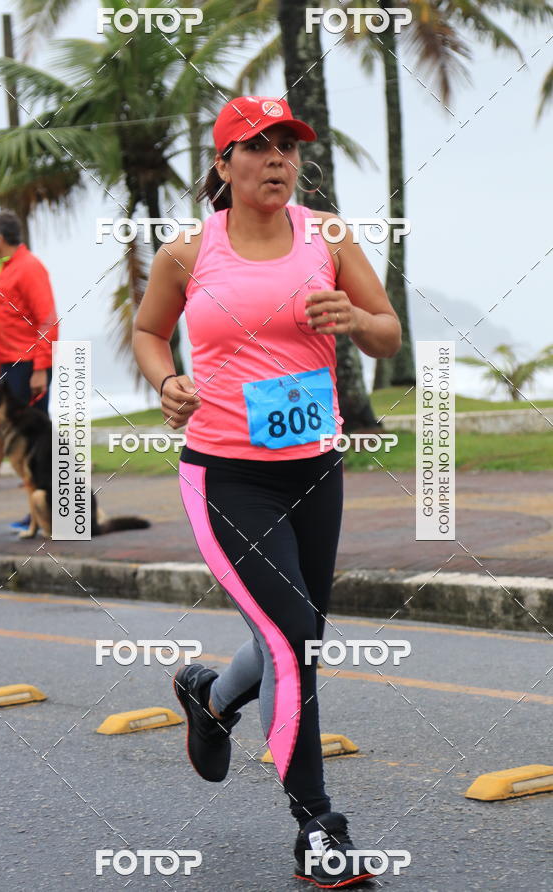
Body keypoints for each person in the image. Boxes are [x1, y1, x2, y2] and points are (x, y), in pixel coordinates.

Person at [133, 95, 401, 888]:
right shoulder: (188, 252)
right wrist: (167, 381)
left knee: (301, 630)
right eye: (258, 146)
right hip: (227, 473)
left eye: (287, 145)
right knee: (294, 644)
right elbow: (151, 332)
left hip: (315, 468)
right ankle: (318, 825)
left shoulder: (328, 236)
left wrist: (353, 316)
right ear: (224, 166)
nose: (278, 158)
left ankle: (212, 698)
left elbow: (388, 330)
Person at [0, 210, 59, 530]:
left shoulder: (29, 268)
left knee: (36, 443)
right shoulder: (0, 269)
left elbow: (47, 320)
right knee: (21, 444)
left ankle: (51, 512)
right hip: (6, 367)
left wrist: (40, 368)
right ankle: (37, 512)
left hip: (28, 366)